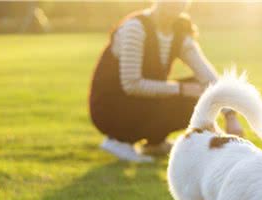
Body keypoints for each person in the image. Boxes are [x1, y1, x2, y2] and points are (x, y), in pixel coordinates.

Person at [89, 1, 243, 162]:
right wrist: (181, 89)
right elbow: (131, 84)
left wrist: (230, 116)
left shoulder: (179, 32)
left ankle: (154, 143)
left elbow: (207, 76)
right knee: (190, 92)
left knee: (200, 91)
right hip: (110, 107)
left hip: (141, 101)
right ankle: (118, 140)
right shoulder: (135, 27)